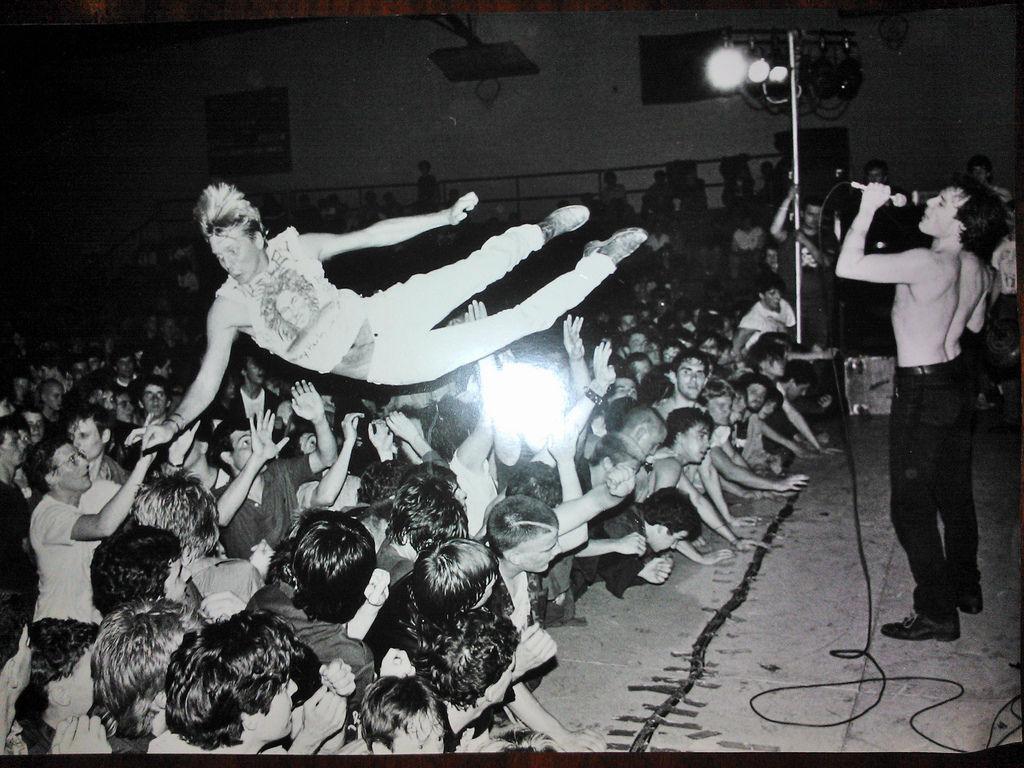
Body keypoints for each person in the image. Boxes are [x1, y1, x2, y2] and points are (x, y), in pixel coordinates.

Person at [132, 183, 647, 454]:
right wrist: (174, 422)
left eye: (232, 250)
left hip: (383, 310)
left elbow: (373, 234)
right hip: (389, 361)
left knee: (478, 268)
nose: (227, 262)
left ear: (255, 235)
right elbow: (206, 379)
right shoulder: (228, 307)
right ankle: (599, 261)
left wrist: (442, 218)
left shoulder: (296, 247)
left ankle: (542, 230)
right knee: (514, 325)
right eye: (217, 254)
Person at [836, 179, 1007, 641]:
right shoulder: (979, 268)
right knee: (954, 494)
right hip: (955, 383)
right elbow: (971, 323)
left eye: (942, 202)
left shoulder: (924, 262)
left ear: (962, 222)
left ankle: (936, 610)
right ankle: (966, 589)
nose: (928, 201)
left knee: (910, 508)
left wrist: (867, 207)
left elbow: (848, 266)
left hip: (922, 388)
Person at [770, 187, 836, 349]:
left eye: (818, 214)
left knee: (818, 344)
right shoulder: (791, 236)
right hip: (791, 299)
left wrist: (806, 241)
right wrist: (788, 199)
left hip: (817, 302)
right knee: (791, 343)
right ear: (801, 214)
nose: (814, 218)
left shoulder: (827, 236)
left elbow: (826, 261)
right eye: (810, 214)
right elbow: (774, 230)